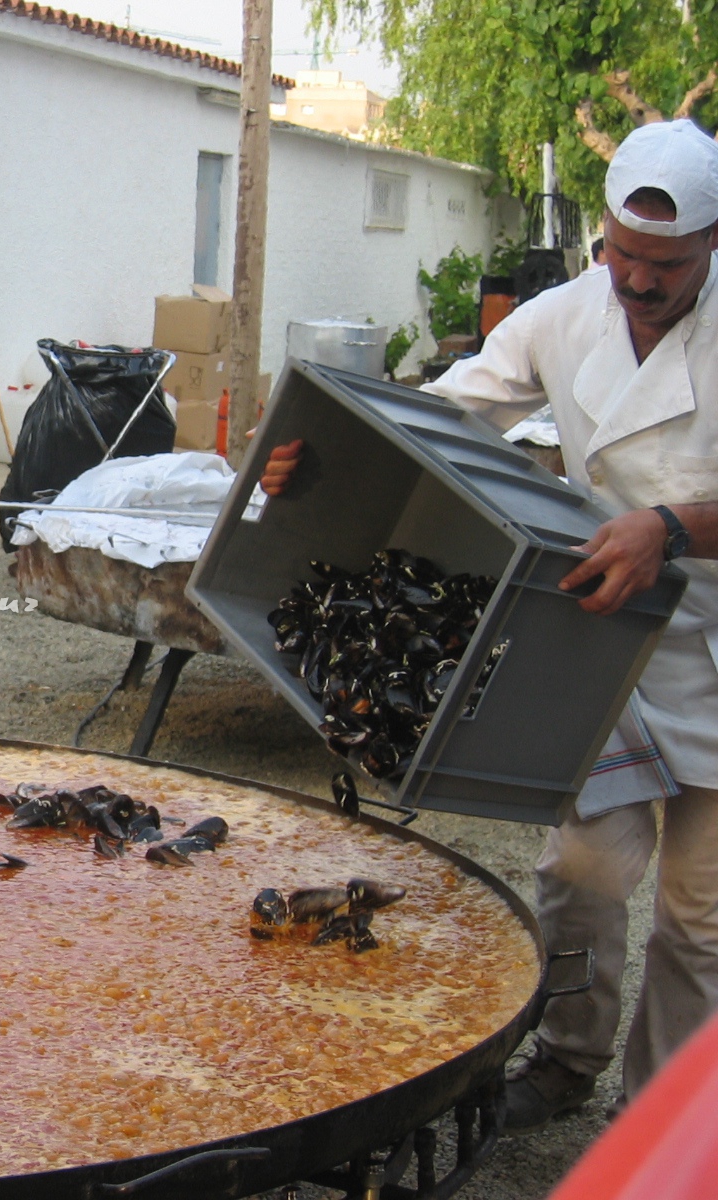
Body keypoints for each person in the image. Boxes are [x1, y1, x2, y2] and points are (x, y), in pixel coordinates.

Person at [261, 118, 718, 1132]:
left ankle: (661, 1124)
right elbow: (441, 414)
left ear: (714, 242)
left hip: (717, 649)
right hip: (609, 640)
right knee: (583, 870)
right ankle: (564, 1062)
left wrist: (674, 528)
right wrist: (317, 452)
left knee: (699, 918)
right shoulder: (565, 316)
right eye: (623, 254)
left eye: (669, 263)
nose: (640, 281)